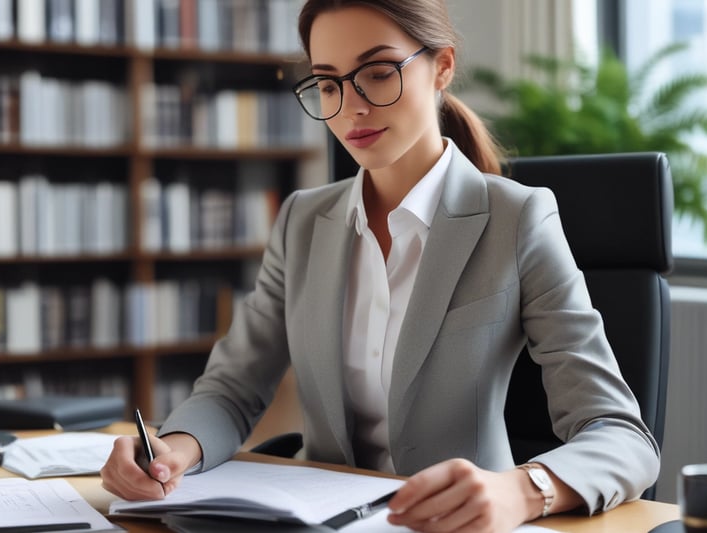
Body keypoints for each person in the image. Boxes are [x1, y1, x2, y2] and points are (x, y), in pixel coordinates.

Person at [101, 1, 660, 531]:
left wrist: (518, 490)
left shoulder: (517, 219)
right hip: (314, 517)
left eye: (377, 72)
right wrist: (172, 452)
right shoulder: (303, 221)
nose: (352, 107)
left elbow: (621, 435)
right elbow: (231, 390)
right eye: (328, 83)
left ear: (442, 67)